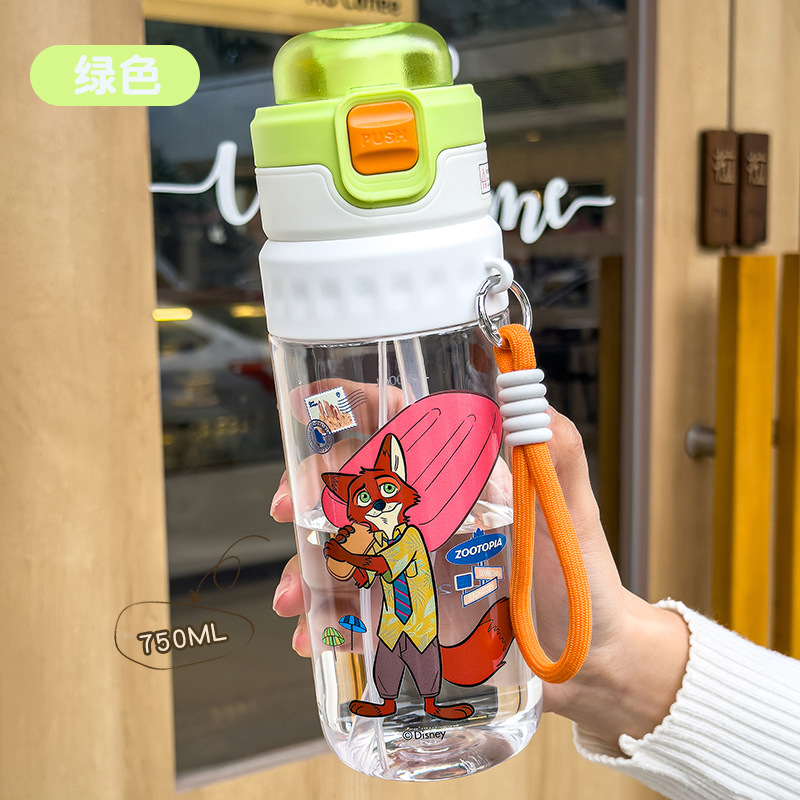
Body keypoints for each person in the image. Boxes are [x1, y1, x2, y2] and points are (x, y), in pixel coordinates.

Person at [271, 408, 800, 799]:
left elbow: (387, 558)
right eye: (363, 498)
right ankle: (387, 703)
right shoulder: (376, 530)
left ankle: (430, 704)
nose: (375, 505)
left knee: (424, 664)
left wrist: (351, 553)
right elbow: (367, 567)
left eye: (383, 494)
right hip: (391, 623)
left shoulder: (406, 536)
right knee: (388, 664)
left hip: (421, 622)